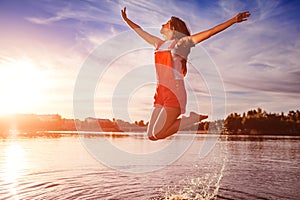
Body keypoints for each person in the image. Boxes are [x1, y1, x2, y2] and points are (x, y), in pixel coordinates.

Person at [121, 7, 250, 140]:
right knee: (151, 136)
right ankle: (191, 118)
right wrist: (126, 20)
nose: (162, 25)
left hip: (174, 92)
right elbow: (140, 31)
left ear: (173, 28)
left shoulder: (181, 43)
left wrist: (233, 20)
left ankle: (191, 119)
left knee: (158, 133)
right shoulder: (158, 44)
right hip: (160, 91)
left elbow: (211, 32)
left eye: (166, 23)